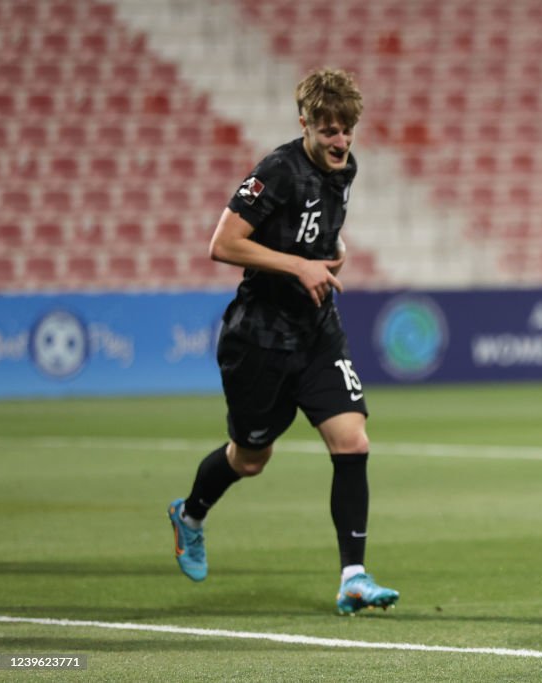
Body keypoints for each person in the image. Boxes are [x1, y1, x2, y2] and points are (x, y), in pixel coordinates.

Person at [167, 68, 399, 615]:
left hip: (317, 330)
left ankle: (354, 577)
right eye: (328, 131)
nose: (340, 141)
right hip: (260, 337)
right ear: (305, 126)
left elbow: (320, 228)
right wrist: (298, 264)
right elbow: (222, 244)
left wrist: (328, 254)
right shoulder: (277, 170)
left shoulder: (347, 168)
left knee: (353, 441)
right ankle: (191, 514)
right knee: (250, 458)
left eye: (347, 130)